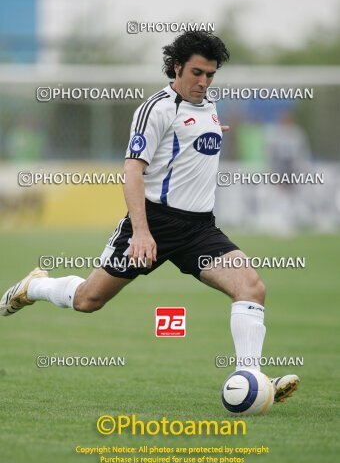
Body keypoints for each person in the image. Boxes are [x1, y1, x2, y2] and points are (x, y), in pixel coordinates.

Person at [0, 31, 299, 403]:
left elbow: (190, 141)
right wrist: (141, 232)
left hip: (199, 228)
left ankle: (251, 379)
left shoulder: (209, 104)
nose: (203, 82)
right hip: (154, 222)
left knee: (251, 287)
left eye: (210, 74)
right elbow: (132, 171)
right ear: (176, 67)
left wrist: (203, 135)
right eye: (196, 73)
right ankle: (35, 286)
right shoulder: (156, 108)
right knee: (88, 300)